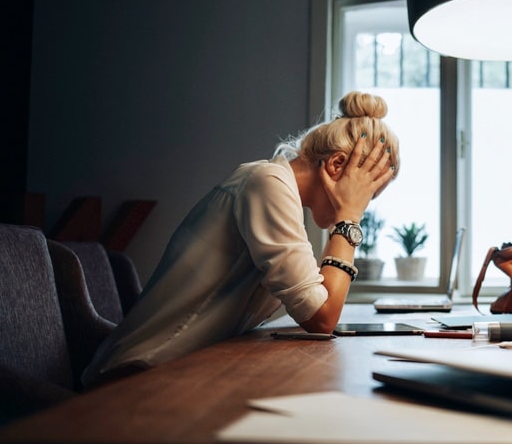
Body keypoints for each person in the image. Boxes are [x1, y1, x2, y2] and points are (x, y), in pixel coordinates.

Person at [82, 91, 399, 387]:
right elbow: (321, 317)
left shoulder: (279, 191)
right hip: (135, 377)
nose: (364, 203)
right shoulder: (267, 183)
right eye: (366, 192)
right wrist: (349, 218)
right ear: (336, 164)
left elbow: (319, 305)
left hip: (178, 372)